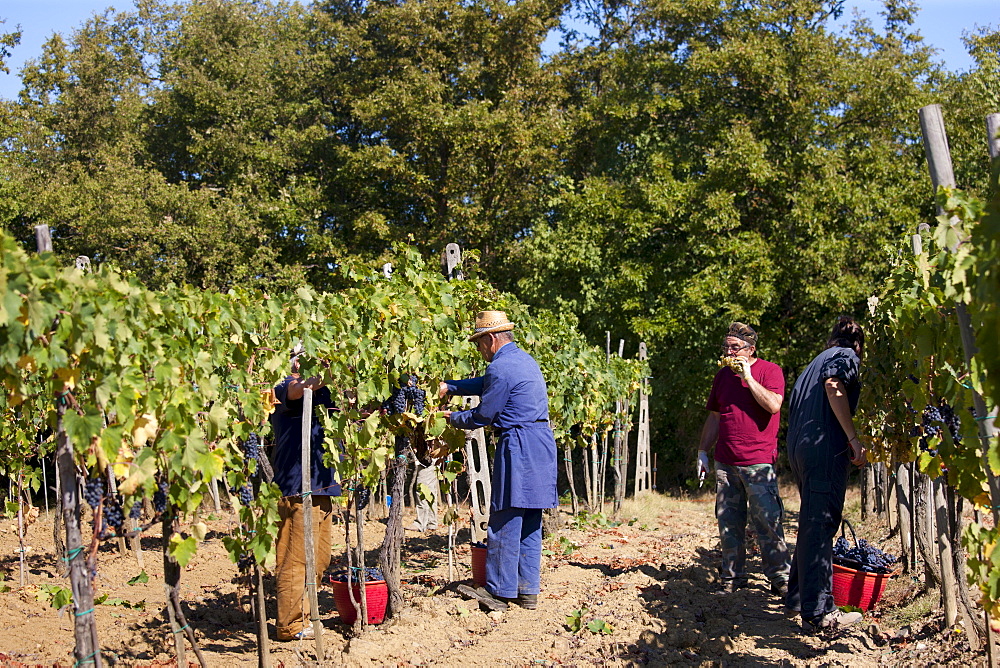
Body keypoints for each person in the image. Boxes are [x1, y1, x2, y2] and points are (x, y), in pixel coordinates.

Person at [440, 311, 558, 612]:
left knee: (504, 519)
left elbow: (483, 415)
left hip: (518, 447)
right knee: (530, 521)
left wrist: (452, 418)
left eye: (479, 344)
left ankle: (499, 592)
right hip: (541, 446)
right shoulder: (524, 361)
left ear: (490, 339)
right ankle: (527, 590)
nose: (480, 351)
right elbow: (486, 382)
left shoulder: (501, 368)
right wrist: (451, 386)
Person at [785, 316, 867, 632]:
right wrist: (853, 438)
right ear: (857, 344)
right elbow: (834, 386)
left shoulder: (812, 364)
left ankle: (796, 599)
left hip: (799, 446)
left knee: (811, 521)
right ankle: (820, 613)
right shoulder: (845, 357)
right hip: (823, 446)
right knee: (821, 525)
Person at [697, 321, 790, 595]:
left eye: (735, 347)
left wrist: (749, 378)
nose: (729, 352)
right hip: (726, 461)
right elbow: (714, 416)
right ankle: (733, 578)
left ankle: (780, 579)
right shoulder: (722, 377)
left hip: (758, 461)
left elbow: (774, 405)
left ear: (751, 350)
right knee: (728, 523)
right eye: (725, 347)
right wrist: (703, 451)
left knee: (768, 522)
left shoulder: (769, 371)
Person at [269, 347, 339, 641]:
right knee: (295, 560)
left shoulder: (324, 393)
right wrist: (333, 368)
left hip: (321, 485)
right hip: (297, 487)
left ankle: (305, 618)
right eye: (306, 354)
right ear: (295, 359)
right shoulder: (283, 385)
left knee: (319, 559)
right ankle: (289, 625)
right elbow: (302, 388)